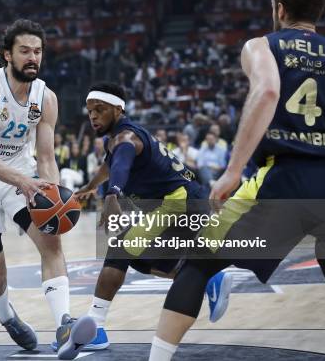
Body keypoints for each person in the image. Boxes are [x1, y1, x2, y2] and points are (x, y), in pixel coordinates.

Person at [149, 0, 325, 360]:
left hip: (286, 179)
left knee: (200, 261)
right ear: (319, 11)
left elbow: (269, 90)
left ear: (279, 8)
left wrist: (234, 168)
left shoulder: (262, 45)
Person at [0, 19, 96, 360]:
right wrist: (24, 182)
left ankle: (64, 324)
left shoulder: (46, 98)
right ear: (7, 55)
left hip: (19, 174)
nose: (33, 58)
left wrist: (54, 193)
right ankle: (6, 315)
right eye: (25, 51)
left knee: (51, 239)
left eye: (38, 51)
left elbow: (45, 156)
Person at [74, 82, 232, 351]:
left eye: (100, 109)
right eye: (90, 111)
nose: (93, 116)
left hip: (181, 204)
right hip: (188, 202)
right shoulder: (118, 138)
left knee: (121, 248)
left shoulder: (126, 139)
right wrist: (91, 185)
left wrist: (112, 194)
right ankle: (204, 275)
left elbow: (121, 164)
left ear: (118, 109)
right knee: (133, 258)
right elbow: (111, 163)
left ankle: (96, 327)